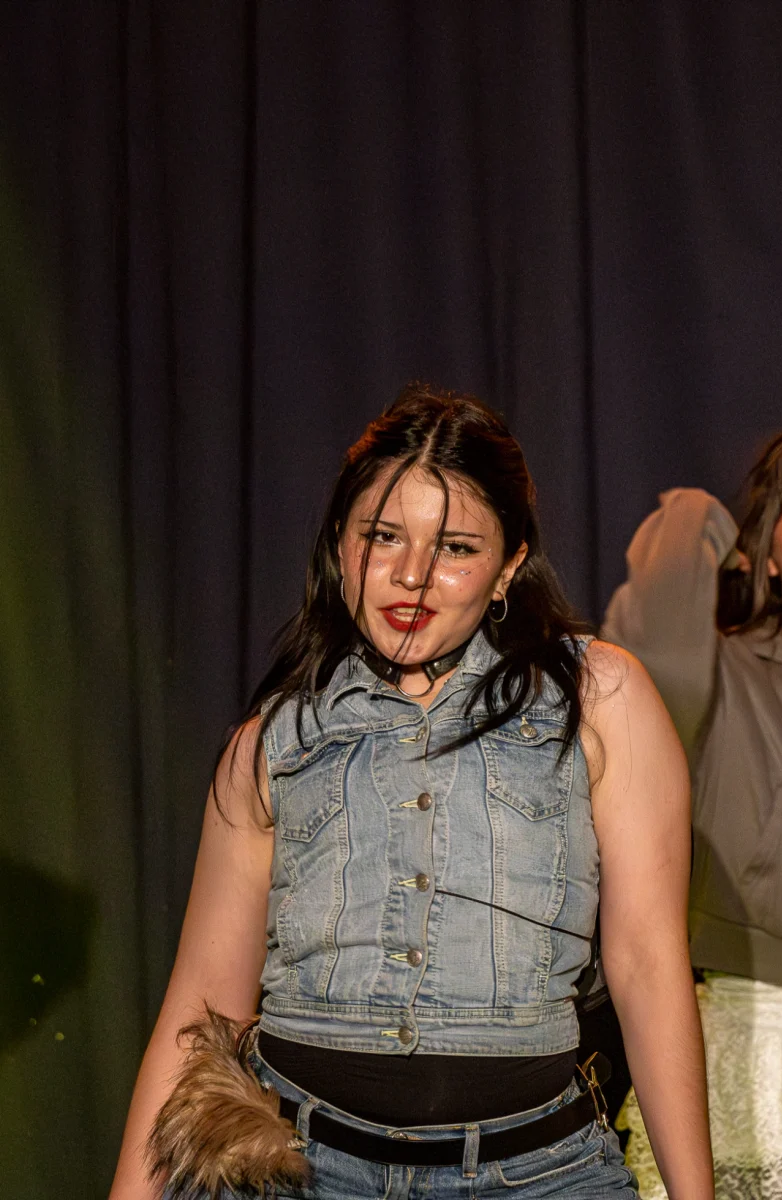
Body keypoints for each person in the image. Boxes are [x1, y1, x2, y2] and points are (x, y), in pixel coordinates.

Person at [109, 385, 713, 1200]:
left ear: (508, 567)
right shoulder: (270, 743)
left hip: (538, 1175)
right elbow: (200, 1005)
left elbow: (647, 964)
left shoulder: (598, 698)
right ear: (340, 545)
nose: (412, 575)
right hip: (300, 1171)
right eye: (383, 535)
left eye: (456, 547)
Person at [604, 423, 782, 1200]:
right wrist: (700, 518)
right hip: (753, 1041)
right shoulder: (722, 677)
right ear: (767, 553)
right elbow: (650, 637)